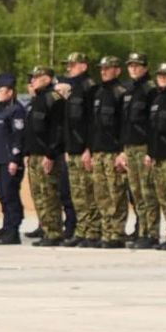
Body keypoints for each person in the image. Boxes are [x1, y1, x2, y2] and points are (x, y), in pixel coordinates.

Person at [87, 56, 128, 249]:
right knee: (101, 193)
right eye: (102, 68)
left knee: (116, 193)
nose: (103, 71)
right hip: (98, 151)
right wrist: (89, 149)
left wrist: (122, 151)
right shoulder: (98, 92)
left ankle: (117, 233)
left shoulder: (121, 93)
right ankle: (106, 231)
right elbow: (92, 125)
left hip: (114, 151)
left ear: (117, 70)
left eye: (108, 68)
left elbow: (125, 125)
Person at [24, 66, 65, 246]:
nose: (33, 80)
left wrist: (51, 154)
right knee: (38, 194)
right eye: (32, 77)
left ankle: (54, 232)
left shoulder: (53, 99)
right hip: (34, 155)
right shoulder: (38, 100)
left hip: (46, 156)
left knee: (49, 194)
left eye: (37, 77)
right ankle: (45, 227)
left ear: (47, 78)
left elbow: (58, 130)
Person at [120, 52, 158, 249]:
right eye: (131, 65)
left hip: (143, 147)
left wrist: (151, 151)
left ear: (145, 67)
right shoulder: (128, 90)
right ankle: (141, 230)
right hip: (130, 147)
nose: (133, 68)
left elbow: (153, 123)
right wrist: (122, 149)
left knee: (147, 191)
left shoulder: (151, 90)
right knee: (135, 193)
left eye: (137, 65)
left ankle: (151, 233)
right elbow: (124, 122)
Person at [62, 52, 100, 248]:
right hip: (73, 148)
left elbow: (92, 122)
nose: (69, 68)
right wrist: (68, 147)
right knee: (77, 193)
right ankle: (82, 230)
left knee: (88, 192)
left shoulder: (89, 87)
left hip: (84, 148)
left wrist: (89, 148)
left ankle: (93, 231)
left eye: (73, 64)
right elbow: (70, 122)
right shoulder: (73, 89)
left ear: (83, 66)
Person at [0, 73, 26, 245]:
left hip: (9, 160)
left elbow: (18, 136)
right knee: (2, 195)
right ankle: (7, 226)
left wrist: (14, 159)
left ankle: (13, 231)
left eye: (1, 91)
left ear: (10, 92)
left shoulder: (16, 110)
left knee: (10, 196)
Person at [146, 62, 166, 250]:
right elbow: (153, 130)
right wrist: (150, 153)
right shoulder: (157, 99)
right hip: (159, 156)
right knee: (163, 198)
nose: (162, 78)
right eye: (160, 75)